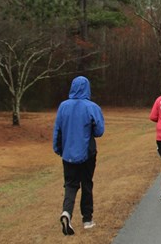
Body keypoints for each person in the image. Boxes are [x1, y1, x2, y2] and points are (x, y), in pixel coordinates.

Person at [53, 76, 105, 235]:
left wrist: (58, 149)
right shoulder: (92, 107)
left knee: (70, 184)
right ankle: (87, 219)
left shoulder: (63, 106)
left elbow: (58, 130)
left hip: (68, 153)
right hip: (87, 152)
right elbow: (99, 131)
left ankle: (66, 212)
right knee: (86, 184)